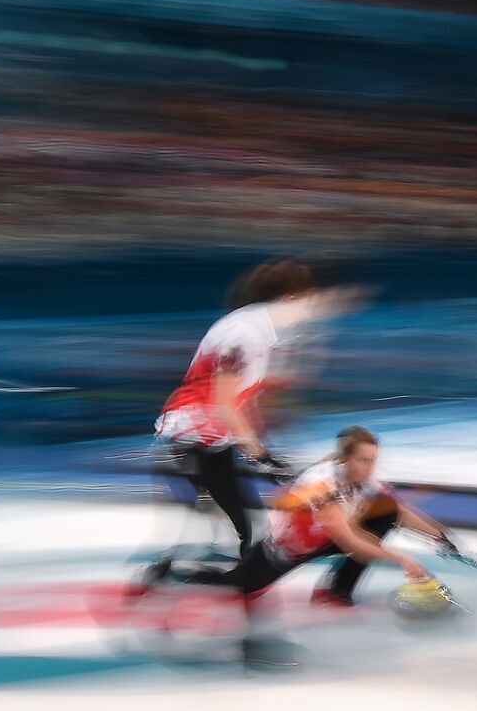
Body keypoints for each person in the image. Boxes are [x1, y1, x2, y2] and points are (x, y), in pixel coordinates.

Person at [137, 426, 446, 665]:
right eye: (364, 460)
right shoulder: (323, 483)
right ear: (345, 459)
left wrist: (439, 534)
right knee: (240, 586)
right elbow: (350, 542)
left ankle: (336, 593)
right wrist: (403, 559)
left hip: (326, 540)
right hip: (290, 548)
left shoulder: (365, 479)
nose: (369, 467)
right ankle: (173, 573)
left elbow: (398, 510)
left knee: (386, 511)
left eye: (373, 461)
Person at [153, 258, 333, 558]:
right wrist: (261, 455)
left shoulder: (255, 329)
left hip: (209, 439)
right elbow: (224, 404)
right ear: (290, 298)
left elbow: (238, 403)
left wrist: (260, 449)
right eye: (307, 303)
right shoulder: (245, 334)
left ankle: (189, 572)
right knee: (242, 530)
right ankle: (173, 577)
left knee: (239, 527)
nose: (308, 313)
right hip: (192, 436)